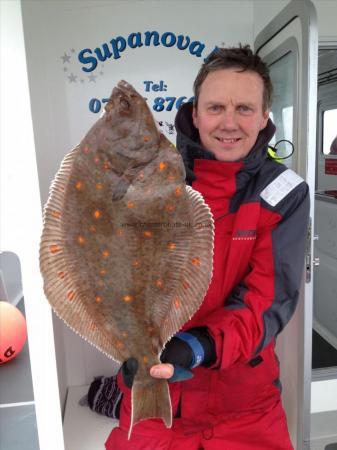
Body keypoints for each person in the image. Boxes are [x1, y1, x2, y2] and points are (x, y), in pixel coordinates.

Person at [104, 45, 310, 450]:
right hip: (152, 400)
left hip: (246, 408)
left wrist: (198, 345)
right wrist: (126, 342)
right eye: (216, 107)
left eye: (245, 108)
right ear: (195, 113)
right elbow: (120, 277)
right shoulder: (150, 180)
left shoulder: (284, 193)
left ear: (265, 115)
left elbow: (267, 301)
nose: (229, 123)